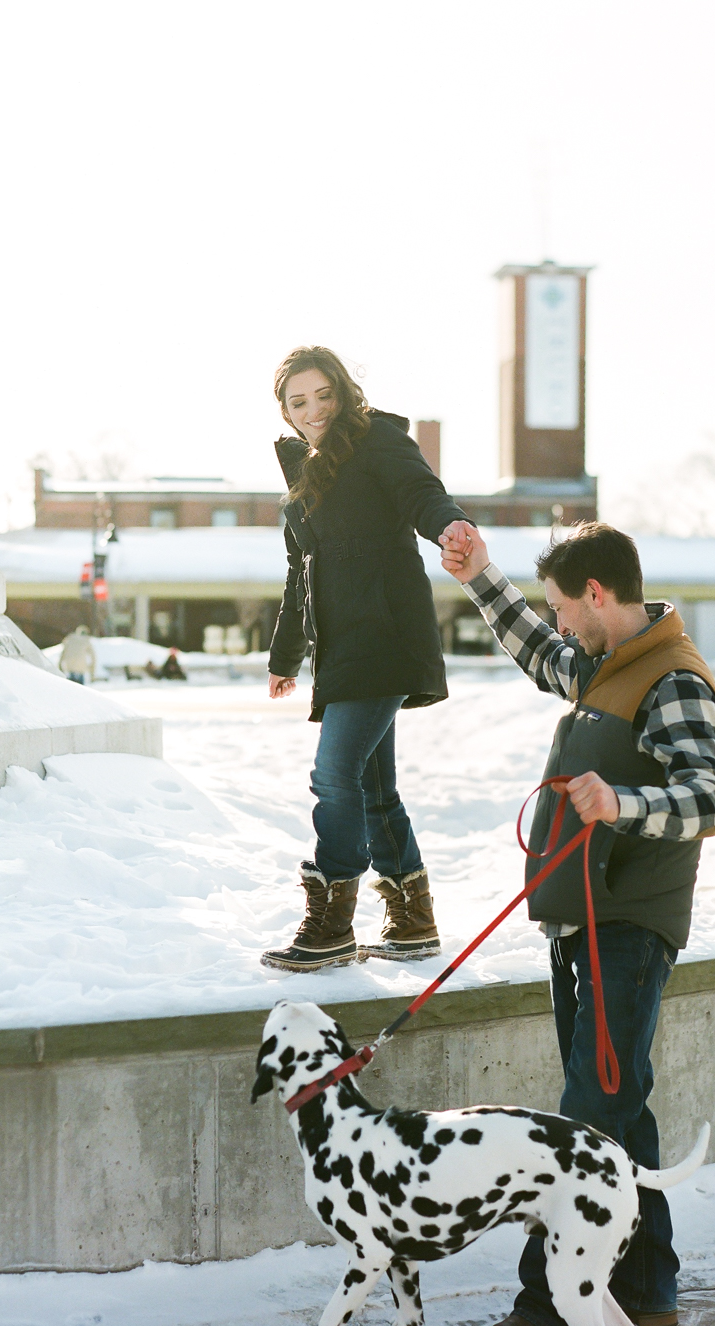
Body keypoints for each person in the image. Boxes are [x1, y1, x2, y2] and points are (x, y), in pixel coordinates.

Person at [438, 519, 715, 1326]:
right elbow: (539, 652)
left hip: (628, 930)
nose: (559, 622)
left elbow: (709, 798)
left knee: (583, 1121)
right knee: (618, 1117)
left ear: (598, 595)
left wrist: (622, 804)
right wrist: (479, 576)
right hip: (584, 923)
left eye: (565, 606)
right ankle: (648, 1288)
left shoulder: (671, 680)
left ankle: (544, 1313)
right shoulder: (607, 664)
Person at [261, 346, 471, 973]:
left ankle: (331, 923)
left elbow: (421, 492)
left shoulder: (378, 439)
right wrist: (285, 657)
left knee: (334, 776)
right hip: (342, 650)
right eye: (299, 402)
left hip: (385, 632)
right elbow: (301, 572)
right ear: (286, 412)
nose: (314, 410)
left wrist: (449, 525)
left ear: (344, 392)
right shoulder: (301, 475)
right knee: (375, 788)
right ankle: (413, 920)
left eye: (323, 395)